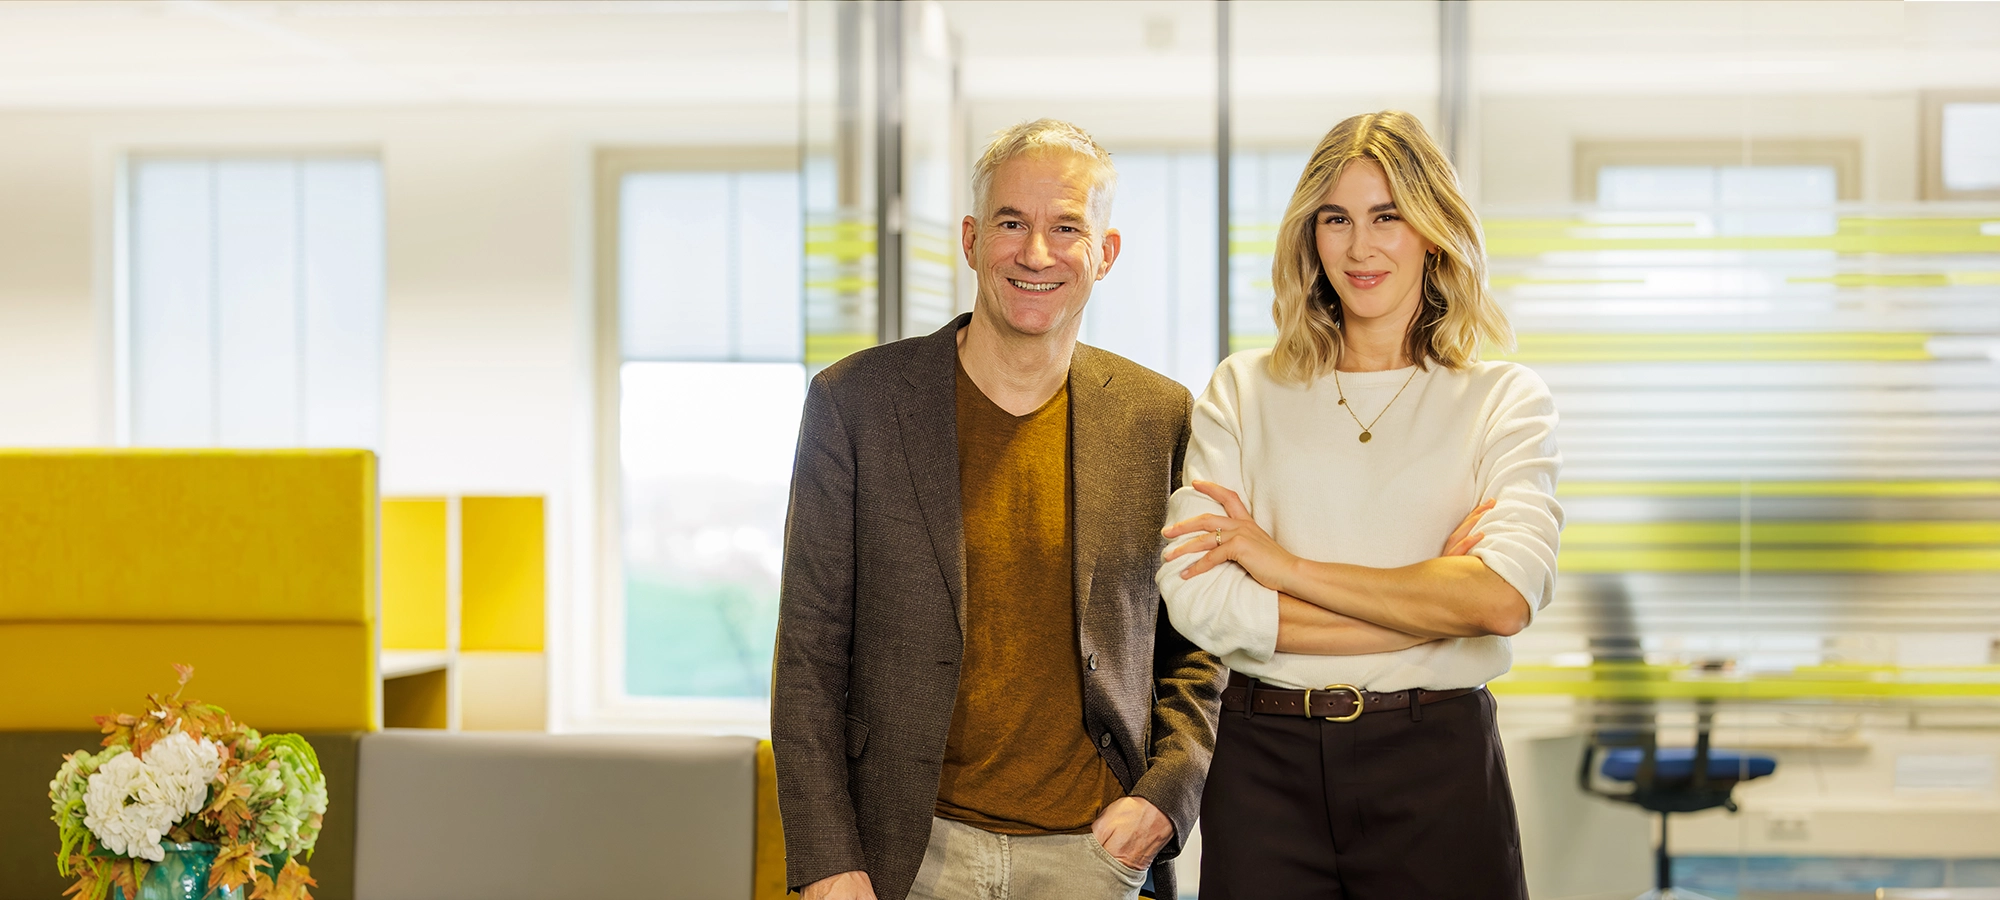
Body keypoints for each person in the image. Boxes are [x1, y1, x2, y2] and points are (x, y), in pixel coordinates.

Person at [773, 118, 1227, 900]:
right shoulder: (854, 404)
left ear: (1105, 253)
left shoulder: (1161, 416)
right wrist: (824, 860)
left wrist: (1167, 795)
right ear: (972, 239)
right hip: (909, 856)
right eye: (1012, 224)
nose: (1036, 253)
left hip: (1095, 852)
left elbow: (1201, 642)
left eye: (1066, 228)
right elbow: (809, 655)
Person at [1157, 110, 1562, 899]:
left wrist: (1284, 567)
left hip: (1435, 758)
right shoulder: (1243, 392)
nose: (1360, 247)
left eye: (1388, 217)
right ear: (1310, 236)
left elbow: (1502, 601)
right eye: (1335, 219)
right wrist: (1431, 597)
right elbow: (1199, 600)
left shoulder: (1502, 400)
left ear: (1433, 232)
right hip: (1262, 761)